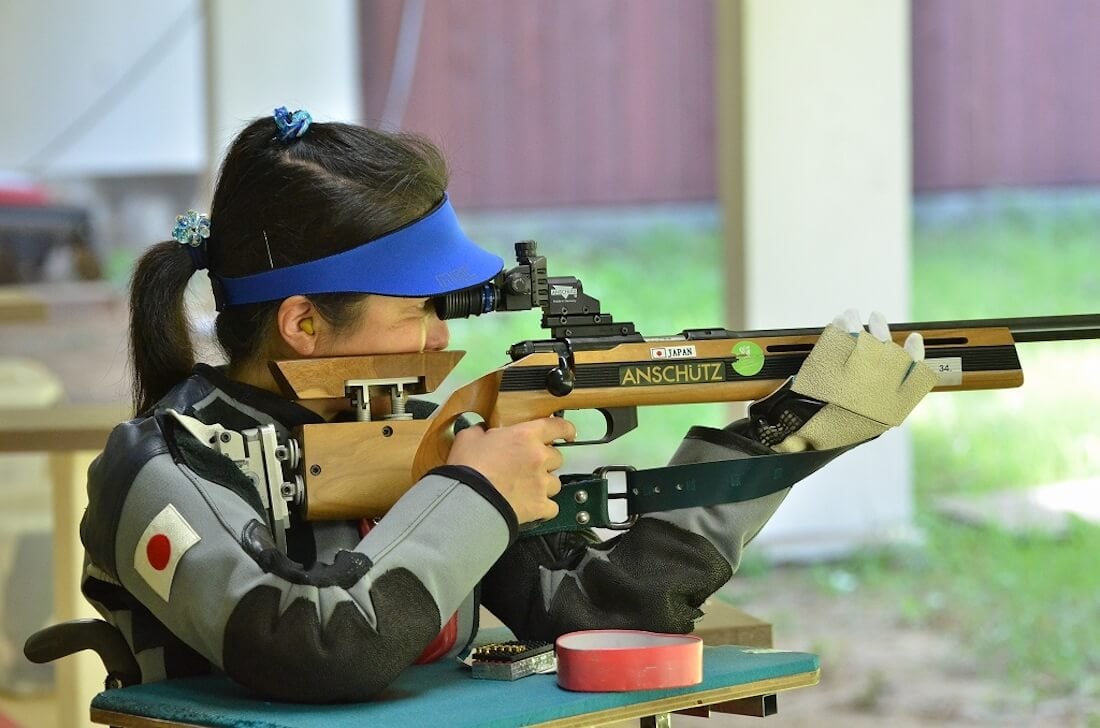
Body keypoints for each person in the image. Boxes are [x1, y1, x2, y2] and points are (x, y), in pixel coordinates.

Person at [79, 106, 938, 704]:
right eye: (419, 309)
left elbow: (603, 609)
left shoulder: (410, 437)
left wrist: (786, 436)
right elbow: (317, 645)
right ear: (303, 323)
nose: (437, 339)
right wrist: (477, 493)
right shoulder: (158, 467)